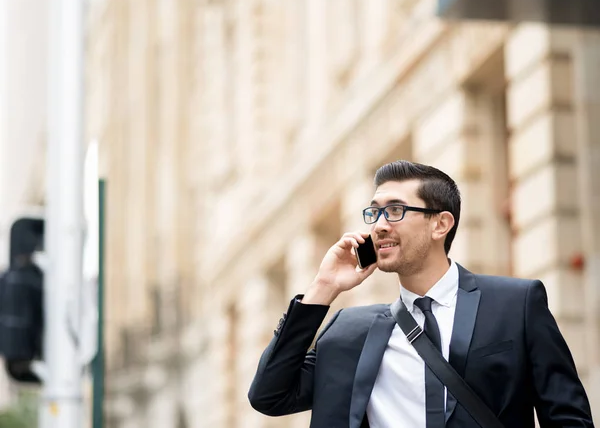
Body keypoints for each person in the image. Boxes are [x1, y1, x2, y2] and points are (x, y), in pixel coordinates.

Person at [248, 160, 594, 428]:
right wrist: (323, 288)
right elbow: (269, 394)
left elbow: (568, 419)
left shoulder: (516, 304)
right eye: (375, 212)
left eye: (395, 211)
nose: (379, 224)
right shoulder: (350, 331)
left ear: (440, 224)